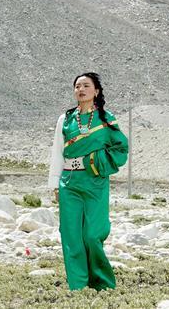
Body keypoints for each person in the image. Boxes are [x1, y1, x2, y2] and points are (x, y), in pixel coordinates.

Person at [48, 73, 129, 291]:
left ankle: (103, 283)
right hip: (69, 182)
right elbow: (57, 152)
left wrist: (97, 162)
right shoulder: (64, 119)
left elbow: (121, 147)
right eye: (77, 86)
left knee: (93, 234)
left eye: (86, 85)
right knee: (71, 235)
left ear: (96, 91)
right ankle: (78, 287)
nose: (81, 89)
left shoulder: (106, 119)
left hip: (94, 181)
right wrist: (54, 184)